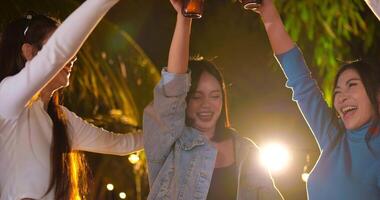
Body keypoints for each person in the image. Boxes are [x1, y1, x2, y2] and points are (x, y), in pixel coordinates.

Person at [0, 0, 143, 199]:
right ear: (30, 52)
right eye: (66, 49)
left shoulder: (62, 120)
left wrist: (175, 125)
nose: (73, 57)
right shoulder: (6, 98)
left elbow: (124, 144)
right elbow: (57, 54)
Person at [142, 0, 283, 199]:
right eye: (197, 96)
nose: (206, 105)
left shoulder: (246, 150)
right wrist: (184, 20)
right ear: (184, 100)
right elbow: (173, 88)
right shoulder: (169, 144)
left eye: (215, 96)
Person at [255, 0, 380, 199]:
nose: (341, 96)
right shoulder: (335, 138)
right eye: (337, 91)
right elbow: (300, 81)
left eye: (352, 85)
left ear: (377, 94)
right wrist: (267, 10)